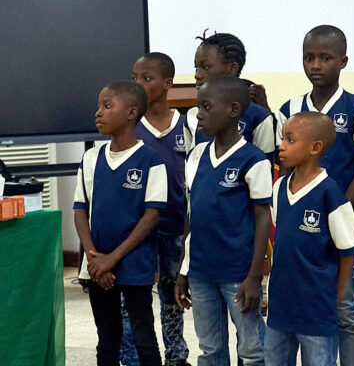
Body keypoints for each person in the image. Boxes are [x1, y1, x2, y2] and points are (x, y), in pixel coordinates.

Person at [275, 24, 354, 365]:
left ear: (343, 61)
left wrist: (337, 211)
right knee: (298, 305)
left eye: (325, 58)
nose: (316, 65)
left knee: (343, 309)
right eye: (309, 57)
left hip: (339, 220)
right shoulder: (289, 108)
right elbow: (284, 170)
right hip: (300, 226)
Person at [175, 77, 273, 365]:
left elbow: (263, 218)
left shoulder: (253, 159)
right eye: (198, 107)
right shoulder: (196, 156)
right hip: (200, 271)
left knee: (252, 349)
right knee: (210, 348)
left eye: (206, 107)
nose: (199, 115)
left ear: (233, 110)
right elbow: (192, 217)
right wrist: (184, 270)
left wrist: (254, 277)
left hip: (238, 273)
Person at [73, 81, 167, 366]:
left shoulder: (151, 160)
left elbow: (152, 216)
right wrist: (95, 258)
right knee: (107, 337)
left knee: (143, 335)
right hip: (97, 264)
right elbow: (80, 210)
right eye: (99, 106)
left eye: (107, 106)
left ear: (131, 113)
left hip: (134, 263)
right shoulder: (91, 158)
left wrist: (111, 259)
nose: (98, 112)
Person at [265, 111, 354, 366]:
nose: (281, 146)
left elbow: (349, 250)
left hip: (316, 307)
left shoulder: (330, 193)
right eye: (282, 138)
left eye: (290, 140)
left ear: (315, 148)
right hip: (281, 304)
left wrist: (338, 292)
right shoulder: (279, 187)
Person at [118, 53, 189, 366]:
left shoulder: (187, 126)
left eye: (147, 79)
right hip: (138, 229)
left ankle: (176, 356)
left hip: (176, 225)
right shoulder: (131, 127)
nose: (138, 84)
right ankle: (132, 357)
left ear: (168, 84)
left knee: (173, 295)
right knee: (132, 296)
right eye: (134, 78)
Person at [183, 30, 275, 161]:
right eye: (196, 67)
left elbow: (266, 164)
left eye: (205, 67)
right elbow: (190, 164)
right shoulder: (192, 115)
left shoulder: (257, 116)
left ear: (232, 68)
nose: (197, 75)